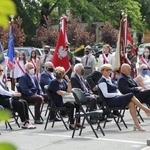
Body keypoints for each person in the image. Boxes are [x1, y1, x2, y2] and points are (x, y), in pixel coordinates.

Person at [98, 64, 150, 131]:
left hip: (116, 98)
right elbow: (106, 95)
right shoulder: (102, 81)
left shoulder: (110, 79)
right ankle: (145, 109)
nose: (109, 71)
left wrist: (119, 94)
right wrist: (117, 95)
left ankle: (136, 124)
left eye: (110, 70)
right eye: (107, 70)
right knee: (131, 95)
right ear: (102, 71)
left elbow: (117, 89)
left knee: (131, 103)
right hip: (110, 101)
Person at [0, 65, 35, 129]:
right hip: (2, 101)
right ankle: (24, 122)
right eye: (0, 70)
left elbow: (7, 89)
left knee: (24, 101)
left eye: (2, 70)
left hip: (7, 99)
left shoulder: (1, 80)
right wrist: (12, 95)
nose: (1, 72)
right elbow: (2, 91)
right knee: (19, 103)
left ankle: (27, 121)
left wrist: (15, 92)